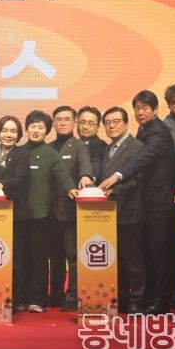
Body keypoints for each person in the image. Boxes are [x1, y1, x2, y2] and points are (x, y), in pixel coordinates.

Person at [99, 90, 175, 315]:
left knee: (159, 253)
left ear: (156, 110)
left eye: (145, 108)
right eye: (137, 108)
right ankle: (150, 297)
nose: (141, 112)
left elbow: (142, 159)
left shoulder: (159, 132)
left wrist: (117, 176)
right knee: (148, 253)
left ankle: (162, 301)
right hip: (145, 203)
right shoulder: (145, 129)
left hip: (159, 203)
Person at [23, 110, 78, 313]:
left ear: (47, 131)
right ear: (26, 128)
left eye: (41, 127)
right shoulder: (19, 152)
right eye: (33, 126)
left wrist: (71, 189)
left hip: (41, 214)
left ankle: (39, 299)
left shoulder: (51, 154)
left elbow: (63, 175)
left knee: (39, 259)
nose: (36, 130)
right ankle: (22, 296)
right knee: (22, 258)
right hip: (19, 214)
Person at [98, 107, 146, 315]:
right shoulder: (107, 148)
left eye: (116, 121)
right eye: (107, 122)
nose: (112, 126)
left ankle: (138, 300)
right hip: (109, 213)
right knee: (115, 259)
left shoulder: (136, 147)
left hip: (129, 211)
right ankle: (122, 299)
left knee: (133, 260)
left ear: (126, 124)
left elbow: (138, 177)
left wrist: (114, 189)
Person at [48, 106, 93, 312]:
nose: (63, 122)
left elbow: (86, 166)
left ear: (74, 123)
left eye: (67, 119)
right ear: (53, 123)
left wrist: (85, 176)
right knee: (54, 256)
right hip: (50, 212)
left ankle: (73, 294)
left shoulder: (79, 146)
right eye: (59, 119)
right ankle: (55, 293)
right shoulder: (48, 147)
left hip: (70, 211)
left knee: (73, 256)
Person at [0, 115, 30, 310]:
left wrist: (0, 185)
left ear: (19, 134)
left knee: (16, 260)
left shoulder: (22, 153)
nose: (9, 135)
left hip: (16, 214)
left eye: (13, 131)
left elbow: (20, 178)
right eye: (5, 130)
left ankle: (14, 300)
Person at [76, 106, 107, 182]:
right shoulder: (73, 144)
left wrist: (90, 179)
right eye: (82, 122)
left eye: (90, 124)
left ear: (98, 127)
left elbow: (97, 164)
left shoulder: (100, 145)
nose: (85, 127)